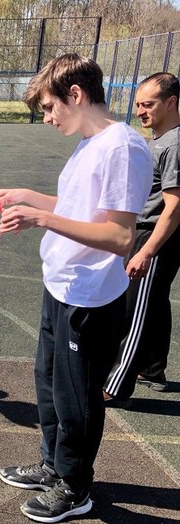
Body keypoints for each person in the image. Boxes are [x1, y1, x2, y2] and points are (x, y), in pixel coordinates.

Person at [0, 53, 152, 524]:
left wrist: (39, 217)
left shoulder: (122, 147)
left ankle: (75, 486)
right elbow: (78, 206)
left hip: (91, 297)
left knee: (77, 398)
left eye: (48, 108)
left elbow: (121, 235)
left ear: (75, 95)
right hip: (60, 285)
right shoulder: (90, 143)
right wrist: (24, 195)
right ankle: (52, 465)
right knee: (49, 386)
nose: (47, 118)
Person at [104, 72, 180, 404]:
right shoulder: (160, 140)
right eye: (137, 104)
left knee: (136, 310)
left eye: (147, 104)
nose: (140, 111)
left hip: (155, 238)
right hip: (148, 234)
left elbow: (175, 208)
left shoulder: (175, 144)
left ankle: (115, 385)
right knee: (154, 303)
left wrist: (147, 251)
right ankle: (152, 369)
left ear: (171, 103)